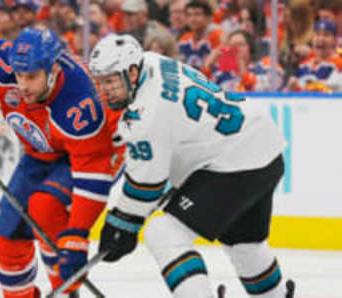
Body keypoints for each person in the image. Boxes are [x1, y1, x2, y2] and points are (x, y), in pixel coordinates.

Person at [89, 34, 296, 298]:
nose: (105, 90)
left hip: (232, 164)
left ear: (131, 72)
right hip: (261, 144)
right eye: (100, 82)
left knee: (162, 233)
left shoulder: (146, 116)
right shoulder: (151, 61)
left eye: (110, 81)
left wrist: (121, 223)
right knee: (244, 243)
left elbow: (146, 185)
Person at [0, 27, 124, 298]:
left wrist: (77, 235)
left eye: (31, 77)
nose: (22, 85)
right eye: (19, 75)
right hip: (42, 151)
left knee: (45, 207)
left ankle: (68, 290)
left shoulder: (81, 103)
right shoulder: (0, 64)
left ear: (54, 70)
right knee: (6, 237)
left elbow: (92, 171)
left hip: (100, 149)